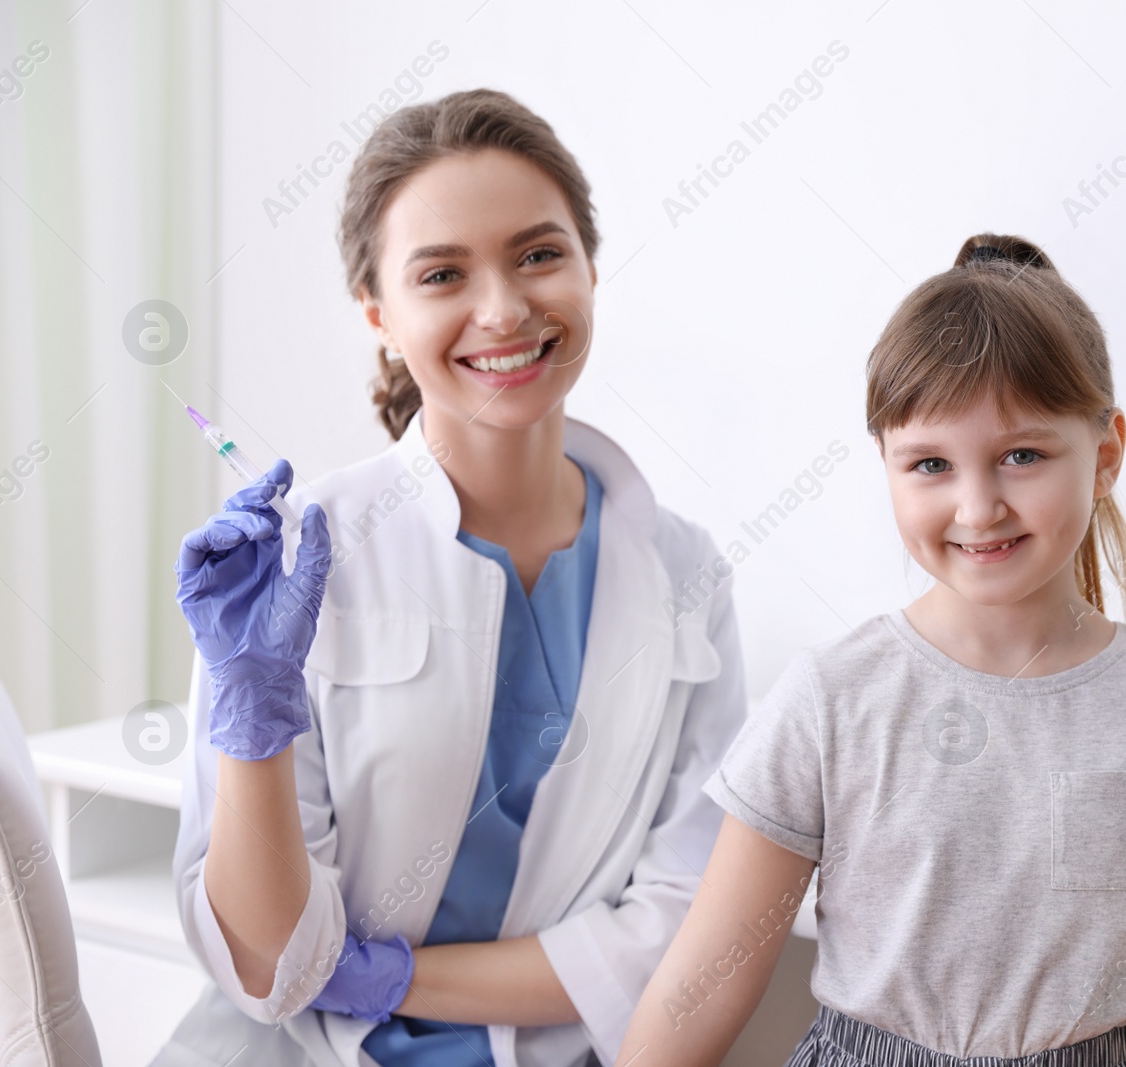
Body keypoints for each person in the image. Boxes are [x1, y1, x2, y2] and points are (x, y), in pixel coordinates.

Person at [155, 89, 748, 1067]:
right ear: (380, 314)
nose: (504, 308)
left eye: (539, 254)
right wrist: (247, 719)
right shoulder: (296, 571)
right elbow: (265, 967)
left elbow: (683, 929)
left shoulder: (686, 574)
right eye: (442, 273)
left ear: (590, 267)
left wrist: (389, 972)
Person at [616, 234, 1126, 1067]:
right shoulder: (829, 699)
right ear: (888, 468)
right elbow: (701, 987)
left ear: (1107, 453)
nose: (978, 508)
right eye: (930, 463)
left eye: (1021, 456)